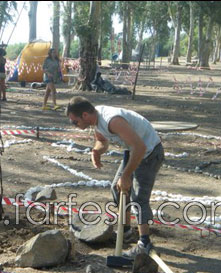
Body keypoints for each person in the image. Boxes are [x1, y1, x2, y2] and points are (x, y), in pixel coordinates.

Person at [65, 96, 164, 258]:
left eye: (74, 121)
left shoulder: (112, 120)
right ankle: (126, 232)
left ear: (85, 115)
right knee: (117, 190)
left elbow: (140, 147)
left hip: (150, 153)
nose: (74, 125)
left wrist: (126, 176)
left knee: (139, 198)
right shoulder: (96, 120)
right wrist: (96, 151)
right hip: (133, 151)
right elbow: (102, 141)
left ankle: (144, 244)